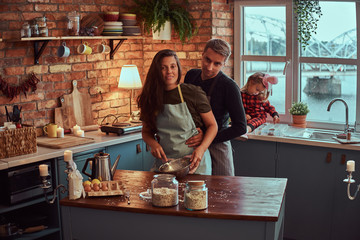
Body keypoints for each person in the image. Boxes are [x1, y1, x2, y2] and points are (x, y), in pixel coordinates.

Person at [137, 49, 218, 175]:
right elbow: (146, 132)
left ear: (178, 68)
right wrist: (153, 144)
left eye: (172, 66)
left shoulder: (193, 93)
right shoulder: (150, 98)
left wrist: (201, 149)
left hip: (194, 163)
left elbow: (212, 125)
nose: (169, 71)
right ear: (156, 71)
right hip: (165, 164)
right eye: (163, 68)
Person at [184, 38, 247, 176]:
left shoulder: (229, 87)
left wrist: (206, 138)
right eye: (207, 59)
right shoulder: (191, 76)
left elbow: (240, 127)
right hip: (192, 141)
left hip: (218, 144)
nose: (210, 67)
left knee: (223, 191)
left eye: (217, 63)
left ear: (224, 64)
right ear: (202, 54)